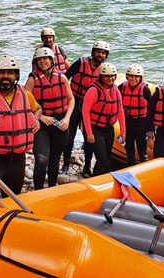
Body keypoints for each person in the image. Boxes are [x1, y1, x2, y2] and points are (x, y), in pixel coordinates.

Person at [0, 54, 41, 202]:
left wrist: (36, 119)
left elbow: (38, 108)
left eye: (10, 73)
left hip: (17, 159)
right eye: (1, 72)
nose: (6, 76)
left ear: (16, 75)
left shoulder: (26, 94)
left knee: (12, 198)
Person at [26, 47, 74, 189]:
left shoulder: (62, 78)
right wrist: (41, 117)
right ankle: (38, 190)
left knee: (54, 159)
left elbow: (71, 100)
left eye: (45, 59)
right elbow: (23, 103)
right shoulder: (32, 80)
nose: (43, 62)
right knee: (41, 160)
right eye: (39, 60)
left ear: (52, 61)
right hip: (42, 125)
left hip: (60, 122)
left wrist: (67, 119)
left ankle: (52, 187)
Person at [62, 41, 109, 177]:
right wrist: (67, 96)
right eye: (98, 51)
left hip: (90, 106)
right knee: (69, 135)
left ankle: (87, 166)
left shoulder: (104, 70)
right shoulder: (80, 63)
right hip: (75, 102)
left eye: (103, 53)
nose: (100, 55)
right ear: (93, 52)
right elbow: (65, 77)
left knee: (89, 136)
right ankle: (65, 164)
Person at [82, 62, 125, 176]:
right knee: (102, 159)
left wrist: (123, 131)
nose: (110, 78)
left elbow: (120, 111)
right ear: (101, 76)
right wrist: (89, 134)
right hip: (96, 129)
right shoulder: (93, 90)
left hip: (109, 129)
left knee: (107, 158)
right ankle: (95, 182)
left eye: (112, 76)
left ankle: (103, 180)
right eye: (107, 76)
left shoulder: (116, 90)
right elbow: (85, 112)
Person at [118, 64, 152, 166]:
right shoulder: (122, 87)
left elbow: (150, 109)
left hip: (141, 123)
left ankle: (144, 167)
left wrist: (150, 130)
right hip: (127, 122)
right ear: (127, 76)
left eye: (136, 77)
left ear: (140, 78)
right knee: (129, 148)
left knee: (142, 150)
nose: (134, 79)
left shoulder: (145, 90)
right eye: (131, 76)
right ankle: (130, 165)